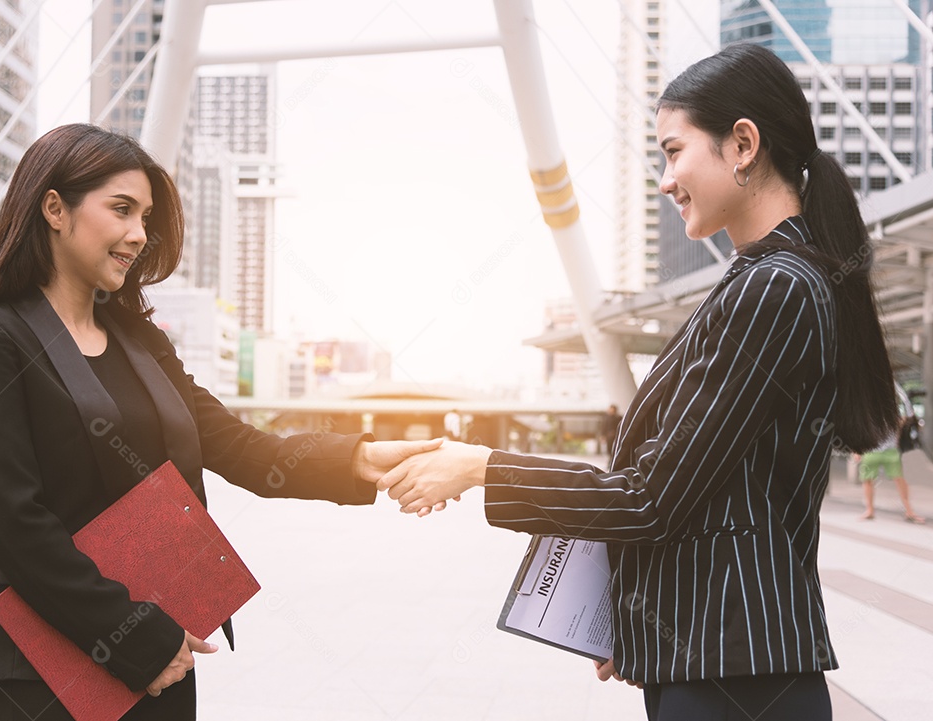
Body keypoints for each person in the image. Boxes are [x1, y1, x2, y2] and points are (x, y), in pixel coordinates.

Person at [376, 44, 898, 721]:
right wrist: (653, 625)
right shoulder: (765, 280)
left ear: (743, 144)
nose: (664, 179)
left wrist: (481, 465)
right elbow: (717, 498)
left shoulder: (777, 287)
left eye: (673, 151)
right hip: (723, 665)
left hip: (736, 680)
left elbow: (653, 497)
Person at [0, 124, 444, 720]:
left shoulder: (140, 340)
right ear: (55, 208)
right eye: (122, 210)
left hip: (162, 645)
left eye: (146, 217)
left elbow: (237, 446)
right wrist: (137, 638)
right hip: (53, 666)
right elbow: (14, 524)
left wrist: (358, 460)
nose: (139, 235)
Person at [856, 416, 926, 523]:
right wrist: (856, 449)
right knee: (867, 479)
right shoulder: (868, 405)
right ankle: (869, 510)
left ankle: (909, 511)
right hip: (871, 448)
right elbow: (860, 427)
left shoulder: (893, 403)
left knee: (899, 479)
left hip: (890, 449)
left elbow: (903, 421)